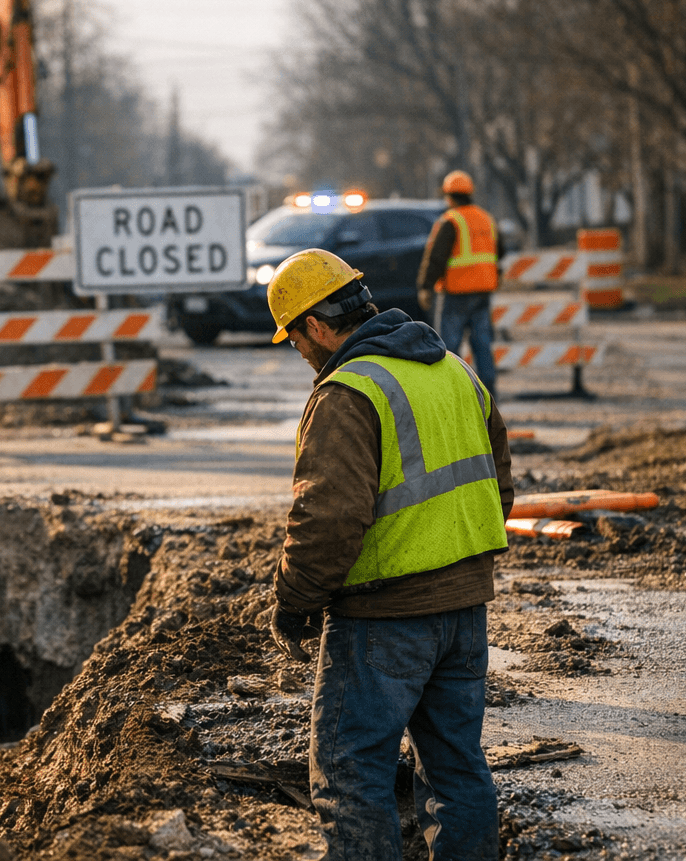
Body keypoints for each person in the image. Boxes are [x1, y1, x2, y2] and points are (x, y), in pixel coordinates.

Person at [261, 248, 514, 861]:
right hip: (465, 611)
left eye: (295, 339)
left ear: (316, 328)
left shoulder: (349, 392)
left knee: (350, 775)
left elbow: (327, 522)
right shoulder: (454, 368)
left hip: (383, 620)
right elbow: (499, 485)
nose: (298, 353)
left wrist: (293, 601)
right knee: (456, 770)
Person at [417, 170, 503, 397]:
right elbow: (499, 251)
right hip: (483, 292)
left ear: (449, 196)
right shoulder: (487, 218)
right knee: (482, 346)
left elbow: (436, 258)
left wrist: (425, 286)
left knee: (449, 349)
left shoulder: (451, 221)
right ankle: (489, 397)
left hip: (456, 293)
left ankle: (449, 396)